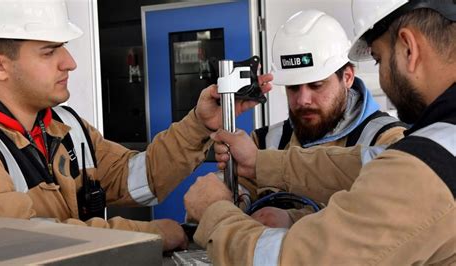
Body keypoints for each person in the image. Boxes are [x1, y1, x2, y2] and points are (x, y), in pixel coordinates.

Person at [0, 0, 271, 252]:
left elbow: (134, 177)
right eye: (49, 52)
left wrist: (198, 124)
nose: (69, 63)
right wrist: (152, 234)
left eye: (64, 48)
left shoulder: (66, 127)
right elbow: (26, 240)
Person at [185, 0, 455, 264]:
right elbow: (356, 164)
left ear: (409, 48)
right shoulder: (437, 143)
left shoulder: (424, 160)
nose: (303, 100)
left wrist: (215, 214)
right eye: (293, 88)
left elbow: (299, 259)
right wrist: (258, 163)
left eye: (378, 59)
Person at [240, 10, 407, 228]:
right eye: (293, 87)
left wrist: (293, 220)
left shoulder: (389, 140)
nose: (303, 100)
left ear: (347, 77)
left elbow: (384, 222)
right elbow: (236, 189)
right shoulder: (265, 142)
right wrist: (234, 196)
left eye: (316, 85)